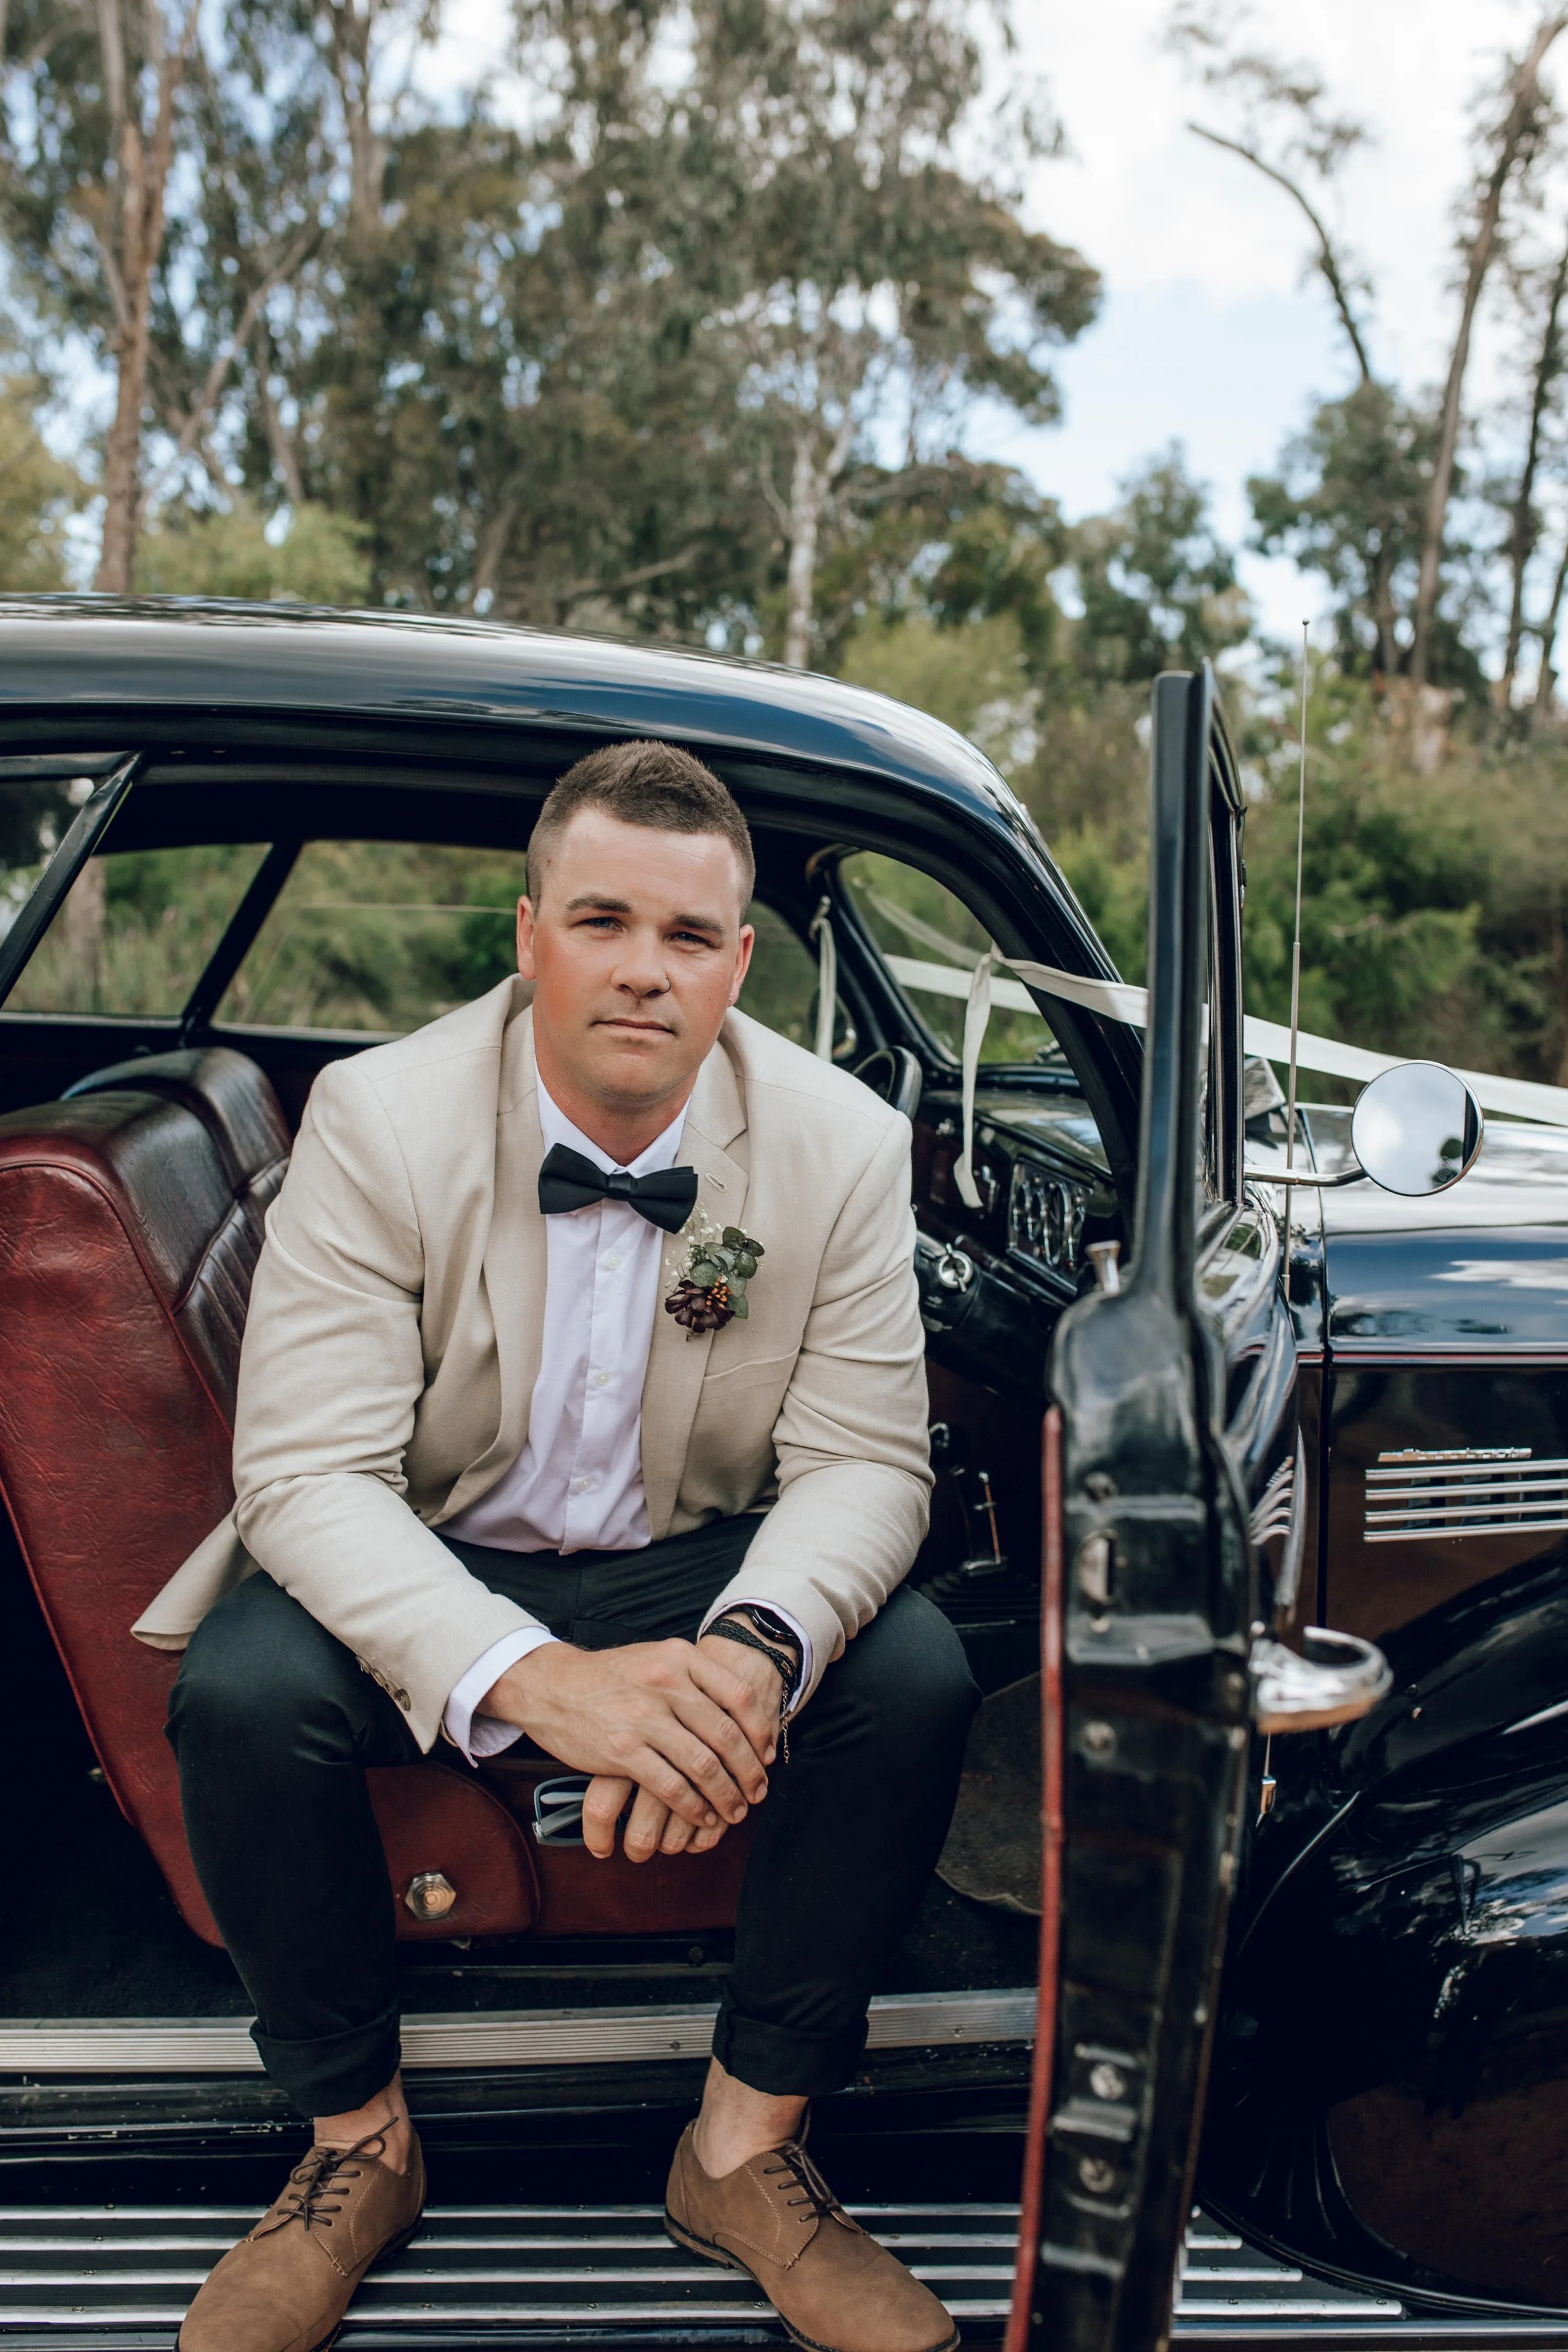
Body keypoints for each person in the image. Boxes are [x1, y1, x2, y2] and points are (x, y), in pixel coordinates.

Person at [137, 741, 979, 2352]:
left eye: (685, 938)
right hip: (434, 1540)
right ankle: (353, 2150)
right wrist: (542, 1684)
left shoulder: (843, 1145)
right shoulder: (381, 1119)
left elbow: (864, 1467)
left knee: (919, 1674)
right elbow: (309, 1476)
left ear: (738, 964)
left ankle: (743, 2151)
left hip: (692, 1555)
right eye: (602, 921)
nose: (642, 972)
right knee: (242, 1691)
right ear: (528, 937)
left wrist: (741, 1660)